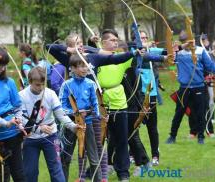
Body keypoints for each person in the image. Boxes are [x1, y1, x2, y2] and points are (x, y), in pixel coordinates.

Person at [46, 33, 135, 182]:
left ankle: (101, 178)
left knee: (96, 151)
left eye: (81, 42)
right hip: (71, 118)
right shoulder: (69, 60)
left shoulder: (92, 58)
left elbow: (114, 58)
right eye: (76, 43)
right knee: (67, 155)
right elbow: (50, 47)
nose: (80, 45)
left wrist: (134, 53)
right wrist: (69, 50)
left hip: (90, 116)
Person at [97, 29, 166, 182]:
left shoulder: (128, 63)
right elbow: (92, 52)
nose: (119, 53)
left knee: (130, 136)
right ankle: (110, 164)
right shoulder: (106, 61)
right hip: (112, 104)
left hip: (131, 104)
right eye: (113, 43)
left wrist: (163, 57)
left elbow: (145, 56)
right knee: (114, 136)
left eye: (121, 49)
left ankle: (143, 164)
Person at [19, 66, 81, 182]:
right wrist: (39, 128)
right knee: (30, 173)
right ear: (30, 82)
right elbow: (22, 120)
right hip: (30, 139)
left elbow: (60, 114)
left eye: (43, 84)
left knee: (56, 170)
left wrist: (73, 126)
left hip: (52, 136)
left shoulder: (50, 93)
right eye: (37, 85)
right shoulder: (22, 95)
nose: (41, 88)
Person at [165, 31, 215, 145]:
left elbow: (210, 65)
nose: (188, 43)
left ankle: (201, 137)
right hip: (184, 87)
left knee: (201, 112)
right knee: (179, 112)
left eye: (189, 41)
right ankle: (172, 136)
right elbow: (169, 55)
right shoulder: (179, 52)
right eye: (184, 42)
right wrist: (177, 47)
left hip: (199, 87)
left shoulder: (201, 51)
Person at [0, 42, 26, 182]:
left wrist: (19, 120)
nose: (2, 69)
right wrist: (5, 123)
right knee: (1, 176)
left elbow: (18, 106)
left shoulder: (9, 83)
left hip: (13, 135)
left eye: (4, 65)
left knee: (19, 174)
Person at [59, 54, 102, 182]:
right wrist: (75, 113)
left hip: (87, 123)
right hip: (71, 125)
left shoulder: (91, 84)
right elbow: (61, 108)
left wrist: (98, 115)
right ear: (72, 68)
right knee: (65, 158)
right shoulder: (66, 85)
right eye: (81, 66)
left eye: (86, 66)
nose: (85, 69)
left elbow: (97, 104)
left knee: (93, 158)